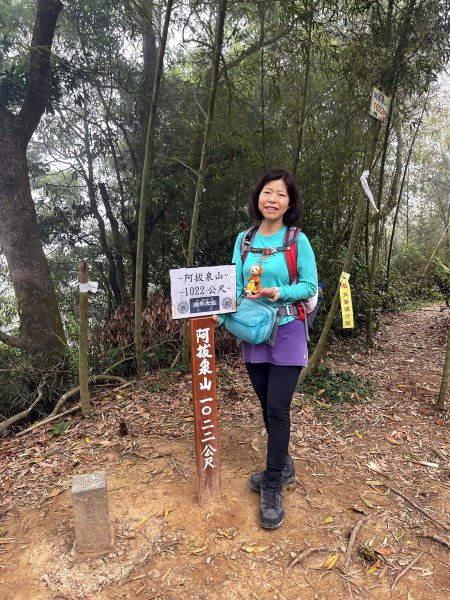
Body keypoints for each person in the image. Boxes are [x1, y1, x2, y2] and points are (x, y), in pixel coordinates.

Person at [216, 167, 317, 530]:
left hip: (288, 330)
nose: (272, 199)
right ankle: (282, 462)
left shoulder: (296, 240)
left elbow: (308, 285)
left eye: (281, 194)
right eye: (267, 192)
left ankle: (274, 481)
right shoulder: (243, 240)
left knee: (277, 408)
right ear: (257, 196)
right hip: (253, 333)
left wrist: (279, 293)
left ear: (290, 203)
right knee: (266, 404)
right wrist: (211, 314)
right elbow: (231, 285)